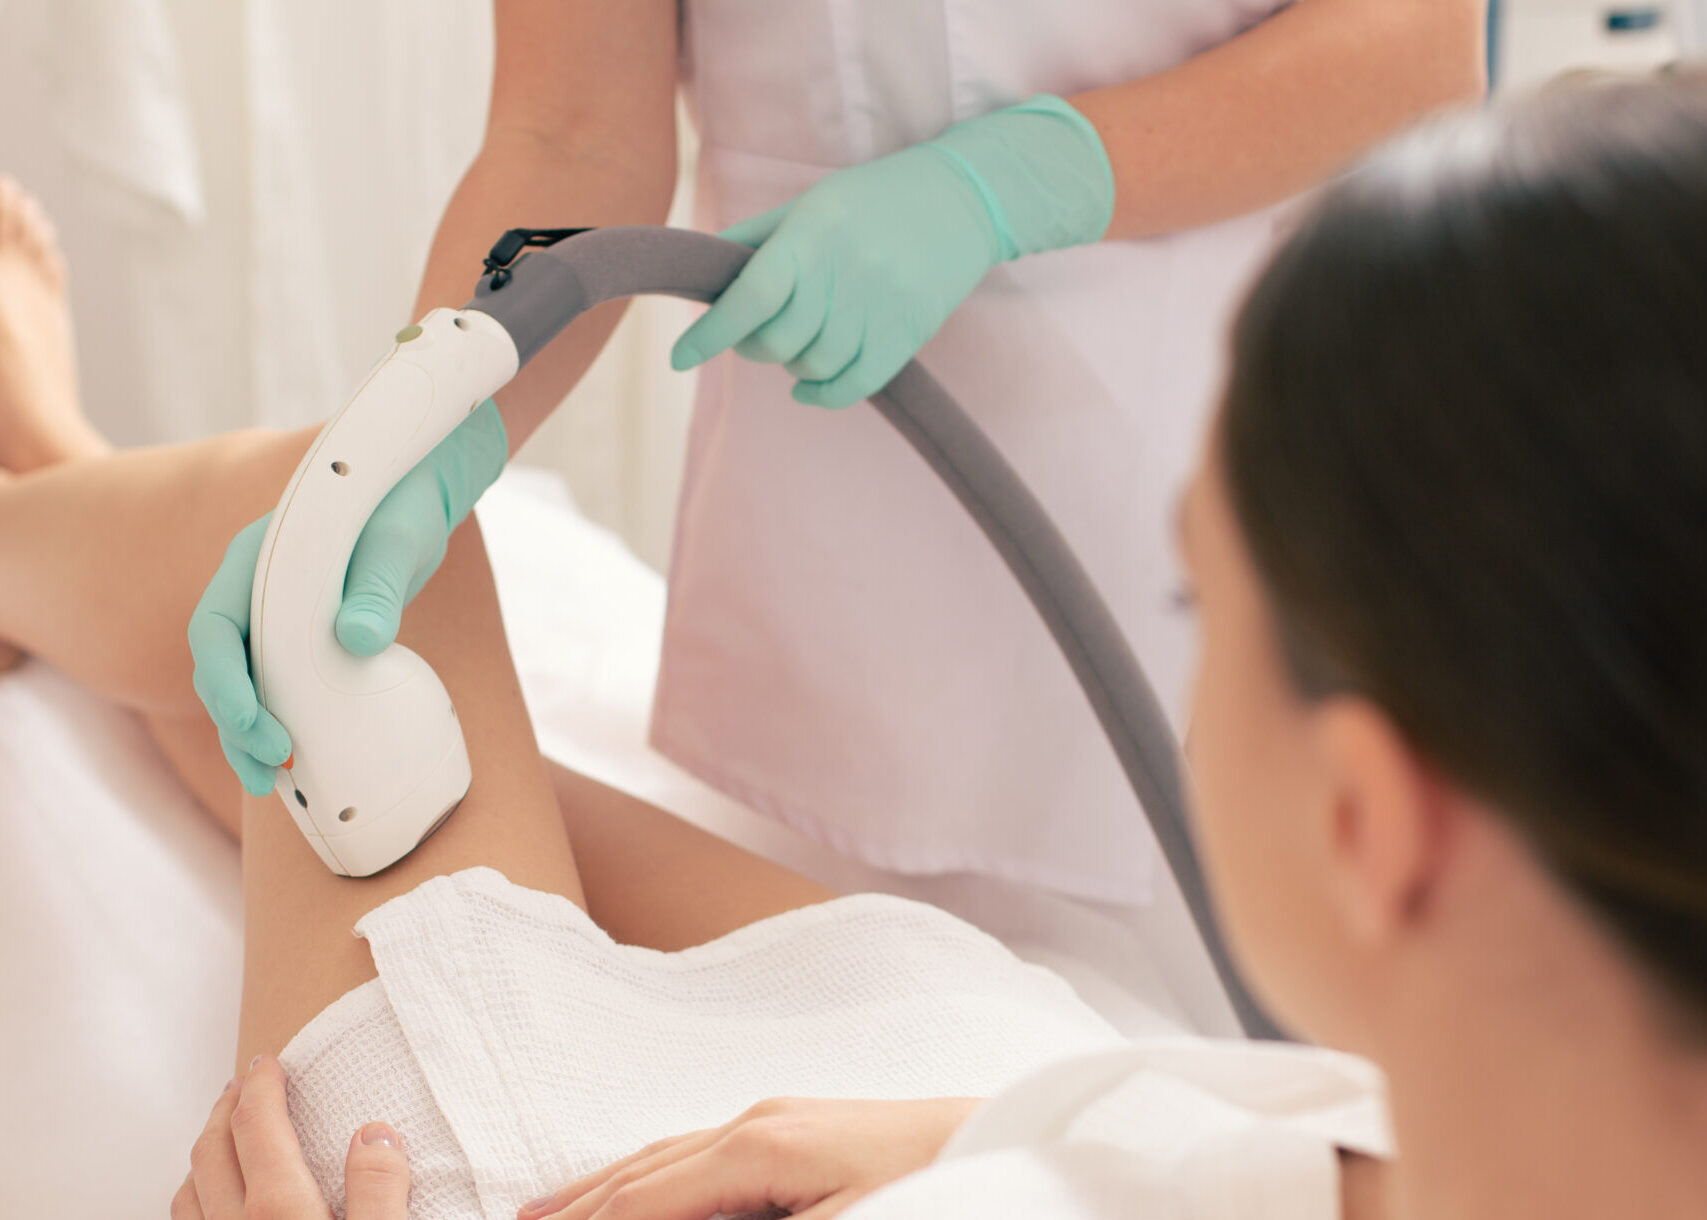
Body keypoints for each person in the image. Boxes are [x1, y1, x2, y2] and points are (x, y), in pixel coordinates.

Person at [39, 73, 1707, 1220]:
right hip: (1013, 1125)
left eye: (1202, 606)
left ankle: (29, 502)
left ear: (1370, 825)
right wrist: (1021, 1141)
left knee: (329, 631)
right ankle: (49, 473)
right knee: (358, 712)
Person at [187, 0, 1489, 1025]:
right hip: (844, 579)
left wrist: (1023, 178)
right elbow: (567, 137)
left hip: (1254, 488)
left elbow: (1416, 43)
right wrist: (411, 445)